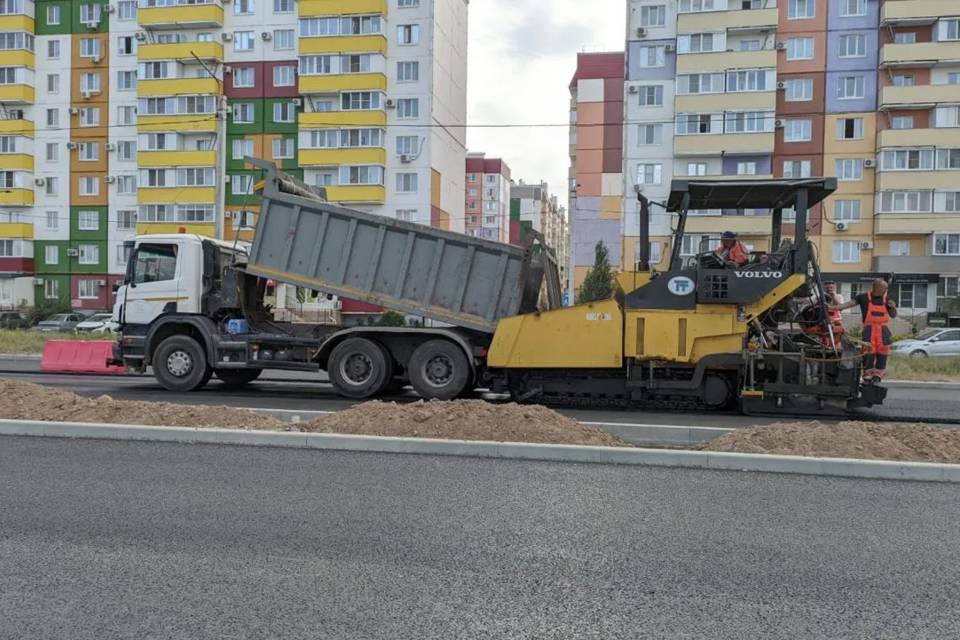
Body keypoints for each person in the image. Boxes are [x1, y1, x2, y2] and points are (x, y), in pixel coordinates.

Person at [832, 278, 897, 382]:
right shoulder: (863, 297)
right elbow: (846, 305)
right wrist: (832, 308)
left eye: (886, 288)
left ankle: (878, 375)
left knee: (883, 352)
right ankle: (867, 374)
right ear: (876, 287)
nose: (886, 289)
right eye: (884, 287)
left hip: (883, 330)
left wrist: (893, 308)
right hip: (869, 330)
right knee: (868, 351)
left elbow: (893, 315)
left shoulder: (887, 300)